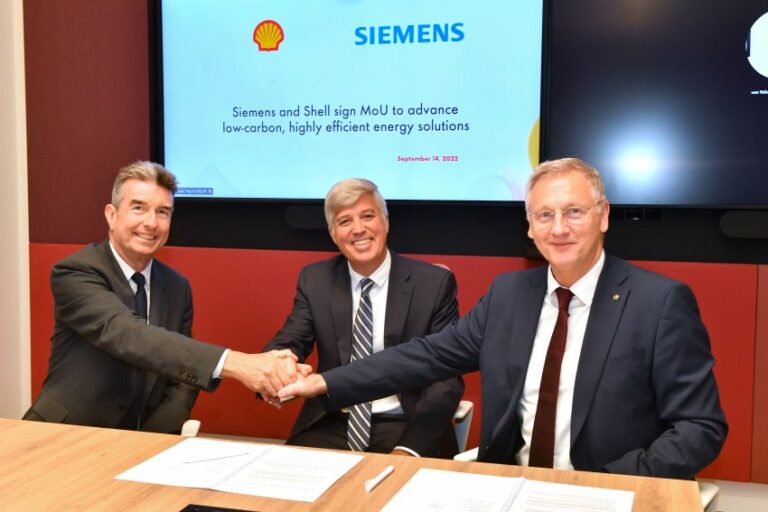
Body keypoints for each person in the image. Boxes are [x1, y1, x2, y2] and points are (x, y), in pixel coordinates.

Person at [280, 158, 728, 479]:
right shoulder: (509, 295)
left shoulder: (659, 302)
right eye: (544, 215)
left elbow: (700, 427)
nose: (559, 228)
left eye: (574, 212)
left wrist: (616, 483)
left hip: (607, 491)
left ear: (604, 216)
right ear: (529, 227)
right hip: (510, 488)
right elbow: (423, 357)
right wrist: (325, 383)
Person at [24, 161, 305, 433]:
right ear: (111, 215)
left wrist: (152, 439)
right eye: (138, 208)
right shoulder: (76, 271)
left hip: (134, 445)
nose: (151, 223)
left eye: (163, 212)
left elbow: (181, 382)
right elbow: (128, 335)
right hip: (61, 434)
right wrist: (237, 363)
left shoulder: (176, 286)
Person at [264, 178, 463, 458]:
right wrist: (276, 366)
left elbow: (446, 377)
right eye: (345, 221)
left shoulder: (433, 284)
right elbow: (292, 338)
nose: (358, 229)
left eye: (368, 216)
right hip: (332, 418)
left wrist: (409, 449)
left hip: (405, 422)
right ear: (333, 234)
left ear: (386, 222)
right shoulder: (316, 280)